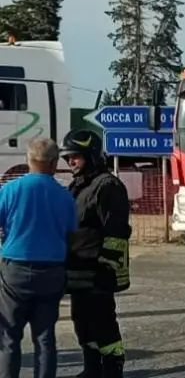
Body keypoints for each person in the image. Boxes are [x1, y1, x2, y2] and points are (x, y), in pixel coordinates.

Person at [0, 138, 77, 378]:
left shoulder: (10, 190)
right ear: (54, 163)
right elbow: (70, 234)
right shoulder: (65, 196)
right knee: (45, 338)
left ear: (28, 160)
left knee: (9, 337)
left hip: (15, 271)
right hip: (52, 272)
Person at [62, 130, 131, 378]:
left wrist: (107, 266)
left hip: (98, 270)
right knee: (81, 321)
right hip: (77, 269)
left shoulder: (108, 186)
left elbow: (117, 231)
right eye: (68, 158)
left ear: (91, 156)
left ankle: (113, 369)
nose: (70, 162)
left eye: (75, 157)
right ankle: (92, 368)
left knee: (103, 323)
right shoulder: (78, 185)